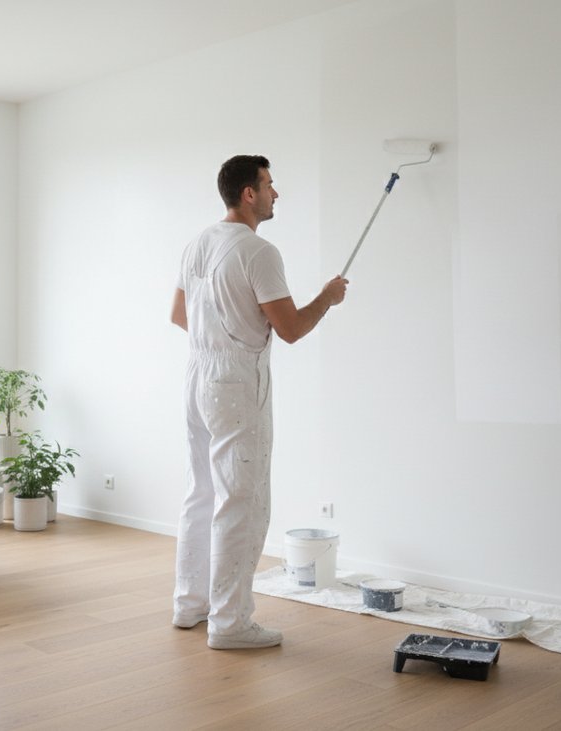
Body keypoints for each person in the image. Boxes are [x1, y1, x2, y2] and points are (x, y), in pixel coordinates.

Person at [170, 155, 348, 650]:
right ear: (248, 193)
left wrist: (223, 333)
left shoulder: (197, 243)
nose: (276, 194)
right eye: (269, 185)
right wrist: (327, 298)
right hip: (234, 383)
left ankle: (190, 606)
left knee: (201, 492)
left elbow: (179, 315)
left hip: (197, 375)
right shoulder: (258, 251)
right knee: (240, 500)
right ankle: (229, 623)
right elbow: (290, 329)